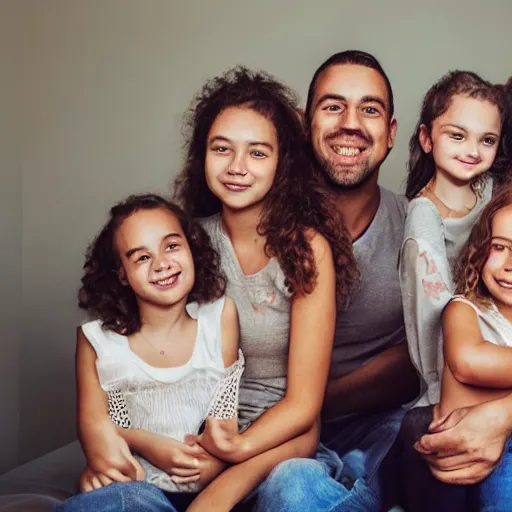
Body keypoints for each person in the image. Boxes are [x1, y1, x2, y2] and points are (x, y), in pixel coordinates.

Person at [173, 65, 359, 511]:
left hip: (281, 448)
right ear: (203, 156)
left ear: (282, 163)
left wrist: (234, 467)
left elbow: (304, 408)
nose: (237, 168)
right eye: (223, 149)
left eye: (257, 153)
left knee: (293, 490)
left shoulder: (307, 249)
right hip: (194, 444)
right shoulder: (185, 244)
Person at [253, 50, 420, 512]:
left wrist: (306, 403)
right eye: (333, 106)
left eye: (369, 109)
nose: (350, 123)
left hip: (375, 428)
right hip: (263, 427)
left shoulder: (418, 228)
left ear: (390, 134)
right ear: (307, 125)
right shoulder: (256, 223)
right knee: (293, 482)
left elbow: (422, 361)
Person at [57, 194, 244, 512]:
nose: (161, 263)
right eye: (141, 257)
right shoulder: (97, 341)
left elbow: (224, 424)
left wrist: (215, 466)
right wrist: (148, 445)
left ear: (191, 248)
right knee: (112, 500)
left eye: (171, 246)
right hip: (137, 486)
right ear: (122, 275)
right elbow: (98, 437)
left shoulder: (220, 317)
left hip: (213, 488)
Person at [400, 185, 512, 511]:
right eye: (500, 247)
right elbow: (467, 361)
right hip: (462, 450)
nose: (508, 264)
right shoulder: (465, 310)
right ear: (480, 249)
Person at [400, 70, 505, 407]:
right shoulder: (424, 219)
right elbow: (430, 331)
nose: (473, 151)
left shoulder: (493, 192)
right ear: (427, 138)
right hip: (458, 376)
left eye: (487, 140)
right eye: (458, 136)